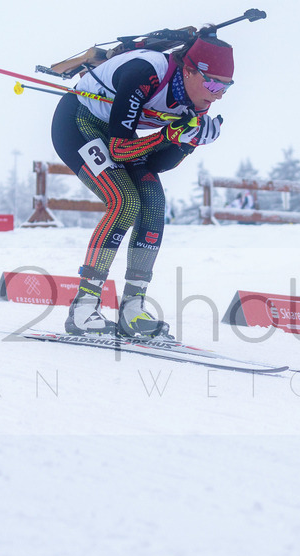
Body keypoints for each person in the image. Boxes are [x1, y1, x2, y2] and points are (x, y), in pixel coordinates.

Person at [51, 33, 234, 338]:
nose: (217, 94)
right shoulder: (145, 73)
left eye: (225, 87)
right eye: (213, 83)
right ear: (189, 70)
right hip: (79, 120)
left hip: (117, 135)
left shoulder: (198, 100)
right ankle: (83, 309)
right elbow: (122, 149)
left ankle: (132, 309)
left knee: (153, 204)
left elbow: (156, 164)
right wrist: (169, 136)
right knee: (124, 202)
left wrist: (191, 143)